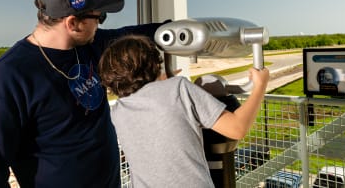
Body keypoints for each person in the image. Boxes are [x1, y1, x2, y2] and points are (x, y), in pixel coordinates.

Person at [0, 0, 165, 188]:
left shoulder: (89, 45)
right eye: (99, 17)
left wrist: (176, 30)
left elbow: (132, 35)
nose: (100, 24)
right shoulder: (8, 78)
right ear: (73, 23)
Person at [98, 35, 270, 187]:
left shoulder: (118, 111)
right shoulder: (178, 88)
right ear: (154, 64)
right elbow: (237, 128)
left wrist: (161, 80)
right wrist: (259, 86)